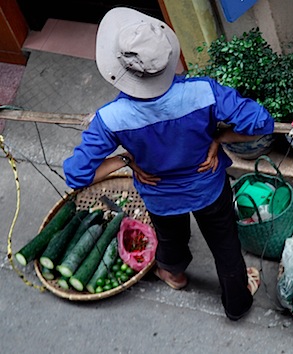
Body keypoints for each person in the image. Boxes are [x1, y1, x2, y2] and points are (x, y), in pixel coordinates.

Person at [63, 7, 274, 320]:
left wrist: (125, 159)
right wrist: (220, 139)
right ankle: (237, 303)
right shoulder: (204, 91)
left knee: (171, 238)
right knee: (225, 243)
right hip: (208, 188)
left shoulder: (110, 118)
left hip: (159, 196)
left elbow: (76, 175)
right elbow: (262, 123)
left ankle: (174, 275)